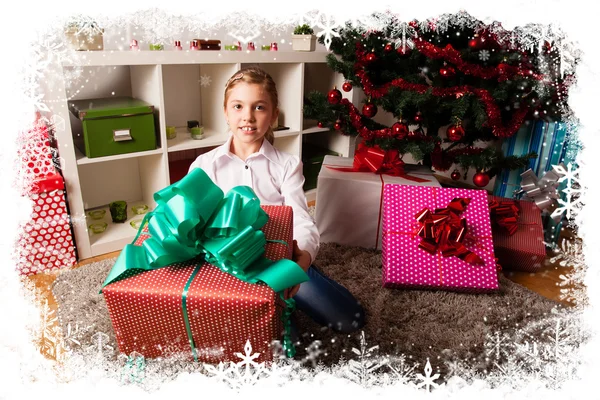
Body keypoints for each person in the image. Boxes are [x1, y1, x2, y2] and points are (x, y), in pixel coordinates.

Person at [187, 66, 365, 334]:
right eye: (238, 106)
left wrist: (301, 260)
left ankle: (311, 283)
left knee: (349, 319)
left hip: (277, 259)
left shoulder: (287, 165)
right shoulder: (204, 165)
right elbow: (189, 220)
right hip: (224, 263)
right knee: (268, 336)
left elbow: (302, 219)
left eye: (259, 107)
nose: (247, 117)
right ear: (225, 112)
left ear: (273, 115)